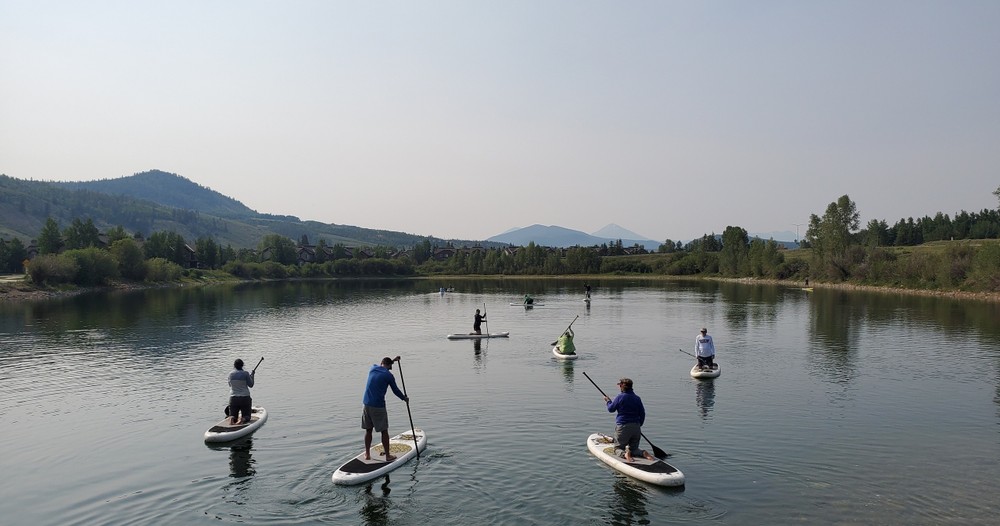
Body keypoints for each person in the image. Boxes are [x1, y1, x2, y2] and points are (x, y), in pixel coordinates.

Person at [362, 356, 409, 461]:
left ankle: (367, 454)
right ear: (388, 366)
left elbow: (385, 364)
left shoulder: (372, 368)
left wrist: (393, 360)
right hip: (378, 406)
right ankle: (388, 456)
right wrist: (404, 398)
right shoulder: (389, 376)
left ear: (381, 363)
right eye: (390, 367)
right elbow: (395, 390)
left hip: (366, 404)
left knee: (368, 430)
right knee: (384, 431)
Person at [603, 377, 655, 462]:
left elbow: (611, 409)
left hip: (623, 427)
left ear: (622, 387)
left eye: (620, 385)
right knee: (634, 449)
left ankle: (625, 454)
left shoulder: (620, 397)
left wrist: (608, 401)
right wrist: (639, 425)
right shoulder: (637, 398)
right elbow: (642, 413)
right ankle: (643, 453)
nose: (619, 387)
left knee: (617, 448)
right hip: (636, 427)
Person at [228, 358, 255, 425]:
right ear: (242, 365)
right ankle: (242, 419)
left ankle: (232, 418)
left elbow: (229, 385)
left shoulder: (230, 374)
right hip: (245, 397)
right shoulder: (245, 374)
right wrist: (252, 376)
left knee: (233, 415)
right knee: (247, 416)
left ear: (234, 365)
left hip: (233, 398)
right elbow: (251, 385)